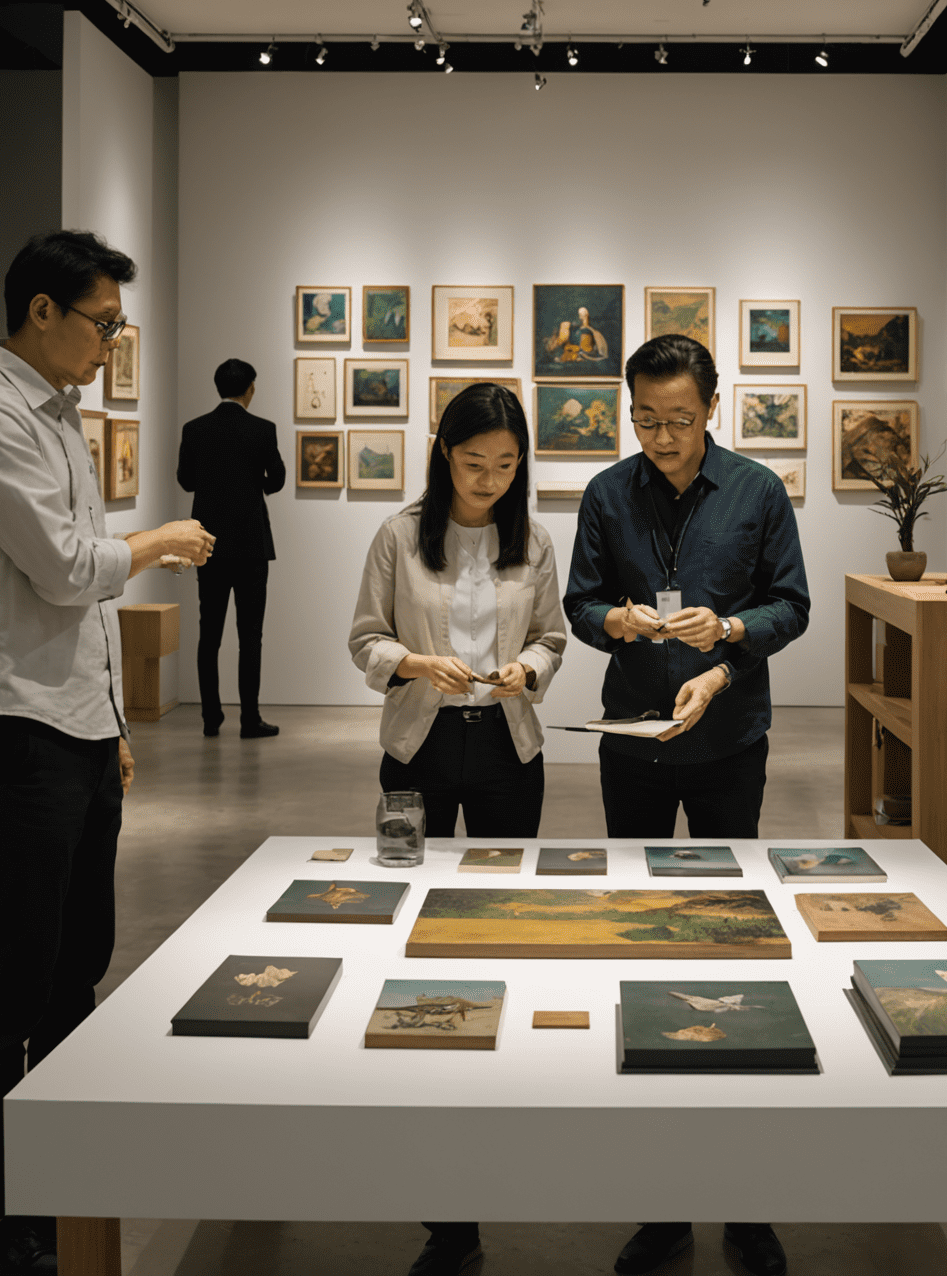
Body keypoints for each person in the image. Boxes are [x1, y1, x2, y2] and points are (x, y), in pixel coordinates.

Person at [0, 229, 215, 1276]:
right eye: (102, 323)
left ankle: (53, 1179)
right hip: (11, 726)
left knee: (73, 967)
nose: (110, 343)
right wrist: (159, 543)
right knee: (14, 970)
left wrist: (114, 725)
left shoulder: (56, 416)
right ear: (41, 311)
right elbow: (61, 569)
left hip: (72, 725)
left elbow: (78, 604)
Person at [562, 333, 809, 1276]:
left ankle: (745, 1198)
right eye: (645, 419)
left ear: (713, 406)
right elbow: (582, 603)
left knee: (728, 945)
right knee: (639, 945)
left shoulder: (756, 492)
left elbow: (793, 604)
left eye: (679, 419)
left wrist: (733, 632)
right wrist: (615, 620)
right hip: (632, 741)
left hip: (725, 742)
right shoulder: (606, 494)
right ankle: (660, 1200)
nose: (662, 437)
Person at [348, 382, 566, 1276]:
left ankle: (508, 1110)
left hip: (509, 746)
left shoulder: (536, 539)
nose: (489, 479)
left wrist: (526, 668)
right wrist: (412, 661)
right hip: (420, 746)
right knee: (419, 936)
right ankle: (443, 1197)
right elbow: (364, 639)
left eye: (506, 465)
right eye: (474, 463)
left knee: (504, 926)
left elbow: (554, 636)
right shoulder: (401, 535)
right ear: (444, 455)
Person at [176, 358, 286, 738]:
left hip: (209, 544)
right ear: (250, 389)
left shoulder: (195, 429)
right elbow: (278, 479)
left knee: (210, 634)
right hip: (252, 545)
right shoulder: (263, 430)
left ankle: (211, 718)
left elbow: (186, 481)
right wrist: (254, 485)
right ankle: (250, 719)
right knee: (249, 636)